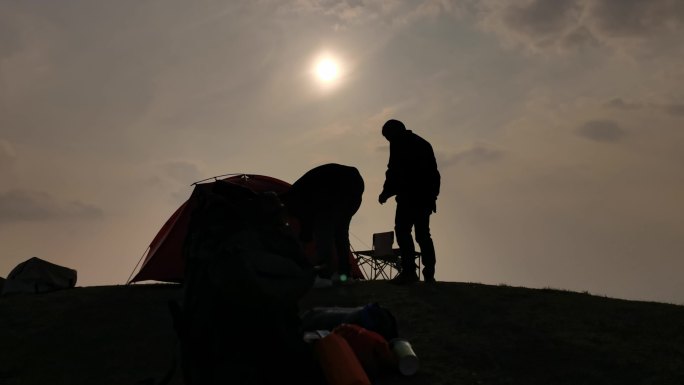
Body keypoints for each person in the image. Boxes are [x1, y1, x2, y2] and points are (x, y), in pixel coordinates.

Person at [378, 119, 440, 284]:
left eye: (388, 137)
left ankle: (411, 272)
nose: (388, 141)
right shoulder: (420, 143)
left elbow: (394, 171)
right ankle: (425, 274)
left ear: (394, 133)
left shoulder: (401, 144)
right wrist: (432, 197)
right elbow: (434, 175)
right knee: (421, 235)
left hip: (412, 197)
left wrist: (386, 192)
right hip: (420, 198)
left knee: (407, 232)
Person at [280, 163, 364, 282]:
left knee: (324, 234)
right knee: (341, 234)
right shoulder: (296, 193)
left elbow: (306, 224)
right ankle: (345, 275)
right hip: (354, 186)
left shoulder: (293, 200)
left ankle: (324, 276)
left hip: (332, 192)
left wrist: (304, 240)